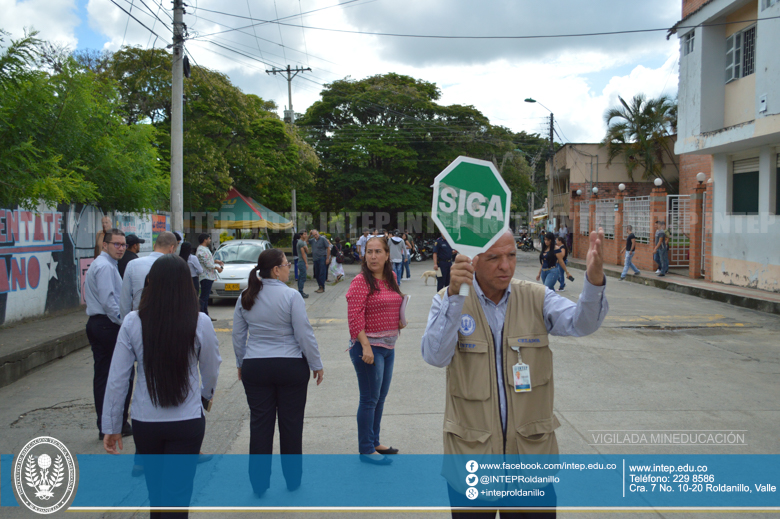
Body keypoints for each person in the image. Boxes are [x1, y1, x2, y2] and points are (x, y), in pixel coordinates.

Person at [421, 229, 609, 517]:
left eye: (511, 256)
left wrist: (594, 282)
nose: (506, 266)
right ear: (472, 260)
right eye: (494, 257)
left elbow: (581, 323)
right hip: (473, 461)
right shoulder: (449, 301)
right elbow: (435, 356)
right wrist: (456, 295)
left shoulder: (536, 297)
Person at [103, 254, 221, 519]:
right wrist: (205, 397)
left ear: (149, 283)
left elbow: (118, 378)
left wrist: (111, 426)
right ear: (187, 285)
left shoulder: (132, 321)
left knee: (156, 496)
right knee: (178, 497)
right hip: (187, 421)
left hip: (146, 423)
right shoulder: (199, 321)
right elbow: (212, 367)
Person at [232, 249, 324, 496]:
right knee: (291, 425)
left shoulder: (245, 296)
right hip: (289, 366)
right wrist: (316, 363)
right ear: (275, 269)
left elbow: (238, 336)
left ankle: (259, 484)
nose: (289, 268)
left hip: (256, 366)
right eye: (286, 264)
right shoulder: (291, 296)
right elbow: (303, 333)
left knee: (260, 425)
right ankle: (293, 480)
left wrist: (241, 363)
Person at [345, 235, 405, 465]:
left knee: (379, 398)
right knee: (369, 399)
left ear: (387, 255)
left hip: (388, 347)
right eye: (369, 251)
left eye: (378, 251)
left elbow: (395, 302)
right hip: (369, 349)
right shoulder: (360, 281)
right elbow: (354, 316)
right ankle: (366, 449)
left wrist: (399, 318)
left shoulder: (391, 276)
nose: (373, 256)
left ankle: (374, 440)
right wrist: (366, 347)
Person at [85, 228, 133, 440]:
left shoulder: (106, 264)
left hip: (102, 324)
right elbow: (109, 302)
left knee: (107, 376)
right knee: (117, 376)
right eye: (116, 244)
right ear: (105, 245)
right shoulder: (104, 266)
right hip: (107, 325)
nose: (121, 248)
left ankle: (111, 424)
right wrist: (125, 323)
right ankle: (113, 425)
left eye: (123, 244)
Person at [121, 232, 178, 319]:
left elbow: (125, 300)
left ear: (154, 246)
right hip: (166, 322)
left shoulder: (133, 265)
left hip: (138, 321)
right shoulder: (175, 267)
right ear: (172, 248)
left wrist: (126, 323)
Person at [196, 234, 224, 319]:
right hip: (206, 276)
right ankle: (202, 315)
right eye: (209, 239)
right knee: (204, 297)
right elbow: (207, 263)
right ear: (205, 240)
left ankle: (205, 315)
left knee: (206, 296)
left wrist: (216, 261)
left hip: (209, 276)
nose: (210, 240)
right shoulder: (201, 250)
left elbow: (208, 260)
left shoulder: (204, 249)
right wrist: (217, 267)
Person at [308, 229, 330, 293]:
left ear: (318, 233)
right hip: (315, 259)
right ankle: (319, 286)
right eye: (314, 235)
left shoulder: (323, 239)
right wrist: (309, 235)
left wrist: (327, 258)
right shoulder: (312, 240)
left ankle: (322, 287)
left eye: (316, 234)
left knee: (322, 273)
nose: (315, 236)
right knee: (316, 274)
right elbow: (306, 241)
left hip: (322, 258)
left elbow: (328, 248)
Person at [296, 231, 310, 299]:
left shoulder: (304, 242)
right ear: (301, 235)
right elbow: (303, 253)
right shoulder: (301, 242)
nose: (306, 235)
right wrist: (306, 263)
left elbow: (307, 251)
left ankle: (300, 291)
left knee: (301, 276)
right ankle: (300, 291)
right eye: (304, 234)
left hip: (303, 261)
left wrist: (306, 248)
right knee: (303, 277)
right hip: (302, 261)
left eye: (306, 234)